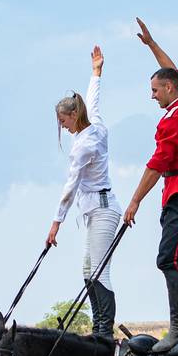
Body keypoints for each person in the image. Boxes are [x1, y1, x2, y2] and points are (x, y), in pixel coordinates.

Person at [122, 18, 178, 352]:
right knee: (168, 257)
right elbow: (172, 71)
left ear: (169, 89)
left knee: (168, 258)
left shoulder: (176, 117)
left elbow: (156, 165)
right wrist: (152, 45)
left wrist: (134, 201)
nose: (152, 96)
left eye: (155, 90)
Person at [47, 45, 120, 338]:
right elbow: (93, 101)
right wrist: (96, 73)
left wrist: (56, 223)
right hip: (93, 210)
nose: (63, 127)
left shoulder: (85, 144)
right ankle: (98, 327)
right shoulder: (94, 125)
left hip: (103, 209)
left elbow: (71, 186)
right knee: (88, 271)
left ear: (74, 115)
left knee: (100, 271)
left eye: (64, 121)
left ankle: (104, 330)